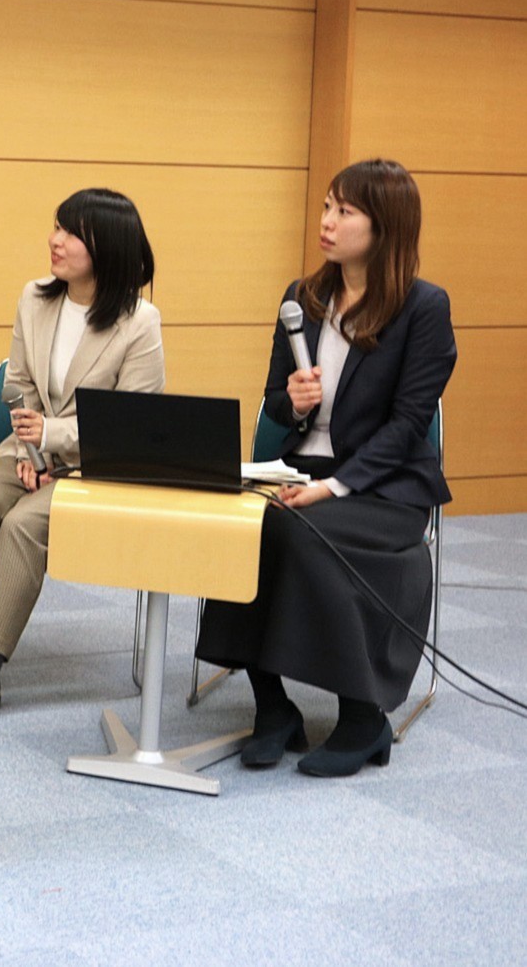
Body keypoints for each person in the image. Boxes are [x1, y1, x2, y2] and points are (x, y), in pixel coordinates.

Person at [197, 159, 454, 777]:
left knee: (299, 532)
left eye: (345, 211)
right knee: (239, 527)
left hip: (382, 485)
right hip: (298, 469)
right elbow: (274, 402)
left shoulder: (423, 307)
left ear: (384, 226)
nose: (327, 222)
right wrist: (293, 401)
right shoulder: (301, 298)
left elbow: (406, 425)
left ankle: (363, 717)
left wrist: (334, 486)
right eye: (326, 207)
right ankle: (273, 707)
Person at [0, 188, 163, 723]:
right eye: (57, 227)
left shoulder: (140, 322)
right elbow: (19, 384)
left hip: (98, 466)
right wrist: (32, 451)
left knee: (23, 526)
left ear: (108, 248)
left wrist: (53, 440)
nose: (56, 240)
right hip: (29, 452)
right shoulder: (35, 298)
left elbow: (131, 425)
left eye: (73, 233)